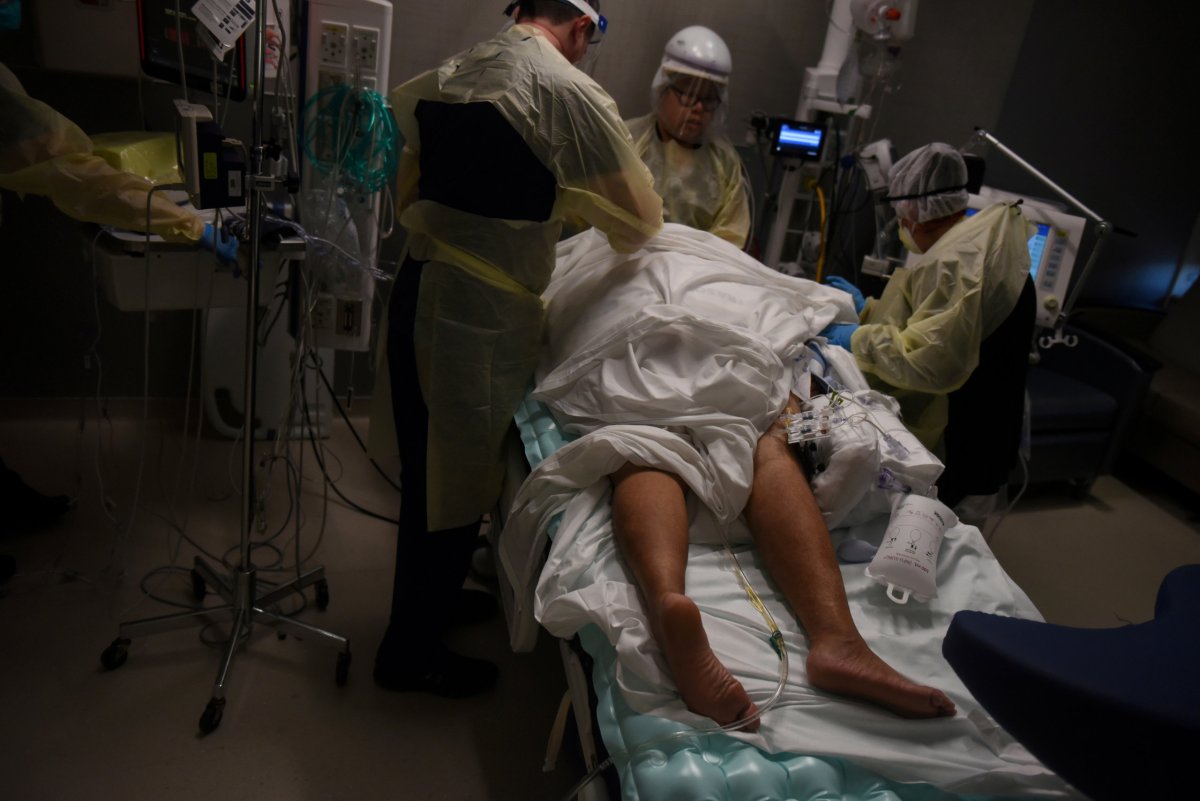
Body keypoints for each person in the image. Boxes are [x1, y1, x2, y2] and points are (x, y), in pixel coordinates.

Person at [369, 0, 663, 697]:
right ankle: (409, 654)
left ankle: (431, 608)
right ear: (583, 27)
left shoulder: (456, 69)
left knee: (430, 474)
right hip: (477, 312)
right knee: (453, 482)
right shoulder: (566, 90)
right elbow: (640, 218)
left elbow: (408, 180)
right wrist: (569, 203)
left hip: (421, 285)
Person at [610, 395, 957, 730]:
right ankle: (838, 639)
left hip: (625, 358)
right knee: (768, 443)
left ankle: (665, 600)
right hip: (723, 349)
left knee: (643, 445)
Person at [821, 143, 1036, 510]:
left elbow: (926, 360)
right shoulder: (973, 243)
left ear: (914, 211)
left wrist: (857, 339)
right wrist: (869, 309)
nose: (900, 225)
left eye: (900, 216)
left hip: (968, 434)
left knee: (938, 528)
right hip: (983, 417)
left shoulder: (955, 263)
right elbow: (932, 320)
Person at [623, 26, 751, 249]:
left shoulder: (725, 164)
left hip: (692, 275)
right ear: (663, 89)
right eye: (688, 95)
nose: (699, 108)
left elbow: (729, 242)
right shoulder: (627, 141)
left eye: (709, 98)